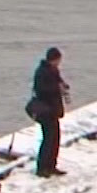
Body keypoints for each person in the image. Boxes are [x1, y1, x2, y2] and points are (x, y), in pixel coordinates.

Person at [29, 47, 71, 177]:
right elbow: (41, 89)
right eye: (58, 60)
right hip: (45, 110)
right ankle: (42, 168)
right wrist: (57, 89)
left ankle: (51, 165)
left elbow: (58, 81)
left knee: (55, 139)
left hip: (53, 110)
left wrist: (63, 85)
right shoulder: (41, 72)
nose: (59, 63)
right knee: (48, 139)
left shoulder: (53, 70)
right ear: (54, 59)